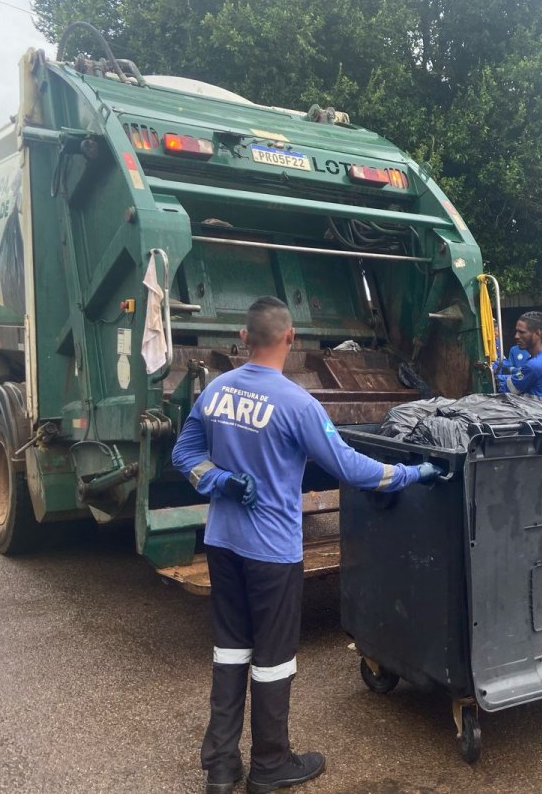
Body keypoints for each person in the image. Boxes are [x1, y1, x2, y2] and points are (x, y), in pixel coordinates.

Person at [172, 296, 441, 794]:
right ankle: (271, 765)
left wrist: (220, 481)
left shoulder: (214, 391)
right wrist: (410, 472)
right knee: (273, 659)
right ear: (290, 339)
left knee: (230, 651)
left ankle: (221, 766)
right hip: (271, 553)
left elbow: (185, 453)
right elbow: (349, 468)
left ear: (245, 339)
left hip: (223, 545)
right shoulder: (298, 404)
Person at [497, 311, 542, 401]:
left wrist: (494, 379)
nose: (516, 336)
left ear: (538, 333)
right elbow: (522, 374)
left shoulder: (534, 365)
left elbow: (507, 389)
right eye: (516, 331)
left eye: (522, 332)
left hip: (538, 414)